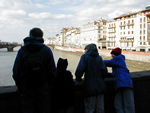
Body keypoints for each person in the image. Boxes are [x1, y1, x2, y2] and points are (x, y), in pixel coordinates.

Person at [12, 27, 56, 113]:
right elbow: (52, 71)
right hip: (43, 88)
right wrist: (48, 86)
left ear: (30, 35)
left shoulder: (22, 50)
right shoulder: (46, 50)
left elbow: (16, 71)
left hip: (26, 88)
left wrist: (20, 86)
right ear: (42, 36)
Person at [75, 43, 107, 113]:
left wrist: (78, 78)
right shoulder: (99, 58)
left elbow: (79, 70)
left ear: (88, 49)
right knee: (100, 109)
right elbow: (104, 72)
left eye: (85, 49)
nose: (84, 51)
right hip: (100, 87)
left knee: (90, 108)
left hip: (90, 87)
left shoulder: (85, 57)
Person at [104, 47, 135, 113]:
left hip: (123, 83)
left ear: (114, 54)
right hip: (122, 83)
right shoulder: (119, 60)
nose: (111, 56)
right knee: (120, 103)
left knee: (126, 103)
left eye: (111, 54)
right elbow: (117, 72)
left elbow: (108, 62)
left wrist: (98, 61)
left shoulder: (117, 59)